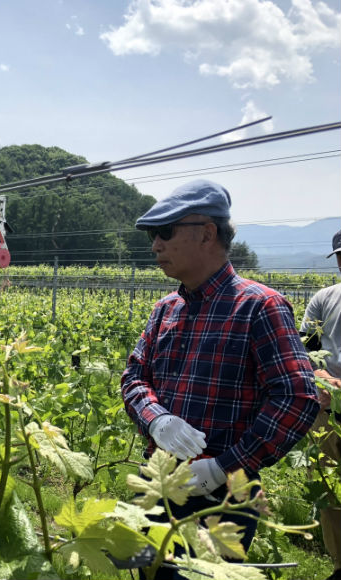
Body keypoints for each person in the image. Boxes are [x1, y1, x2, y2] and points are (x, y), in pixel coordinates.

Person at [120, 179, 321, 579]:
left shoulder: (260, 306)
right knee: (148, 572)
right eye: (152, 235)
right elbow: (134, 377)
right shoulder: (165, 309)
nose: (155, 246)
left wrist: (223, 467)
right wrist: (157, 419)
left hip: (222, 499)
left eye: (165, 232)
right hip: (157, 483)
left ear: (207, 233)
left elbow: (297, 398)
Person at [300, 229, 341, 580]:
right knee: (330, 488)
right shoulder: (324, 299)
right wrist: (320, 375)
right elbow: (305, 348)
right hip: (328, 409)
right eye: (340, 256)